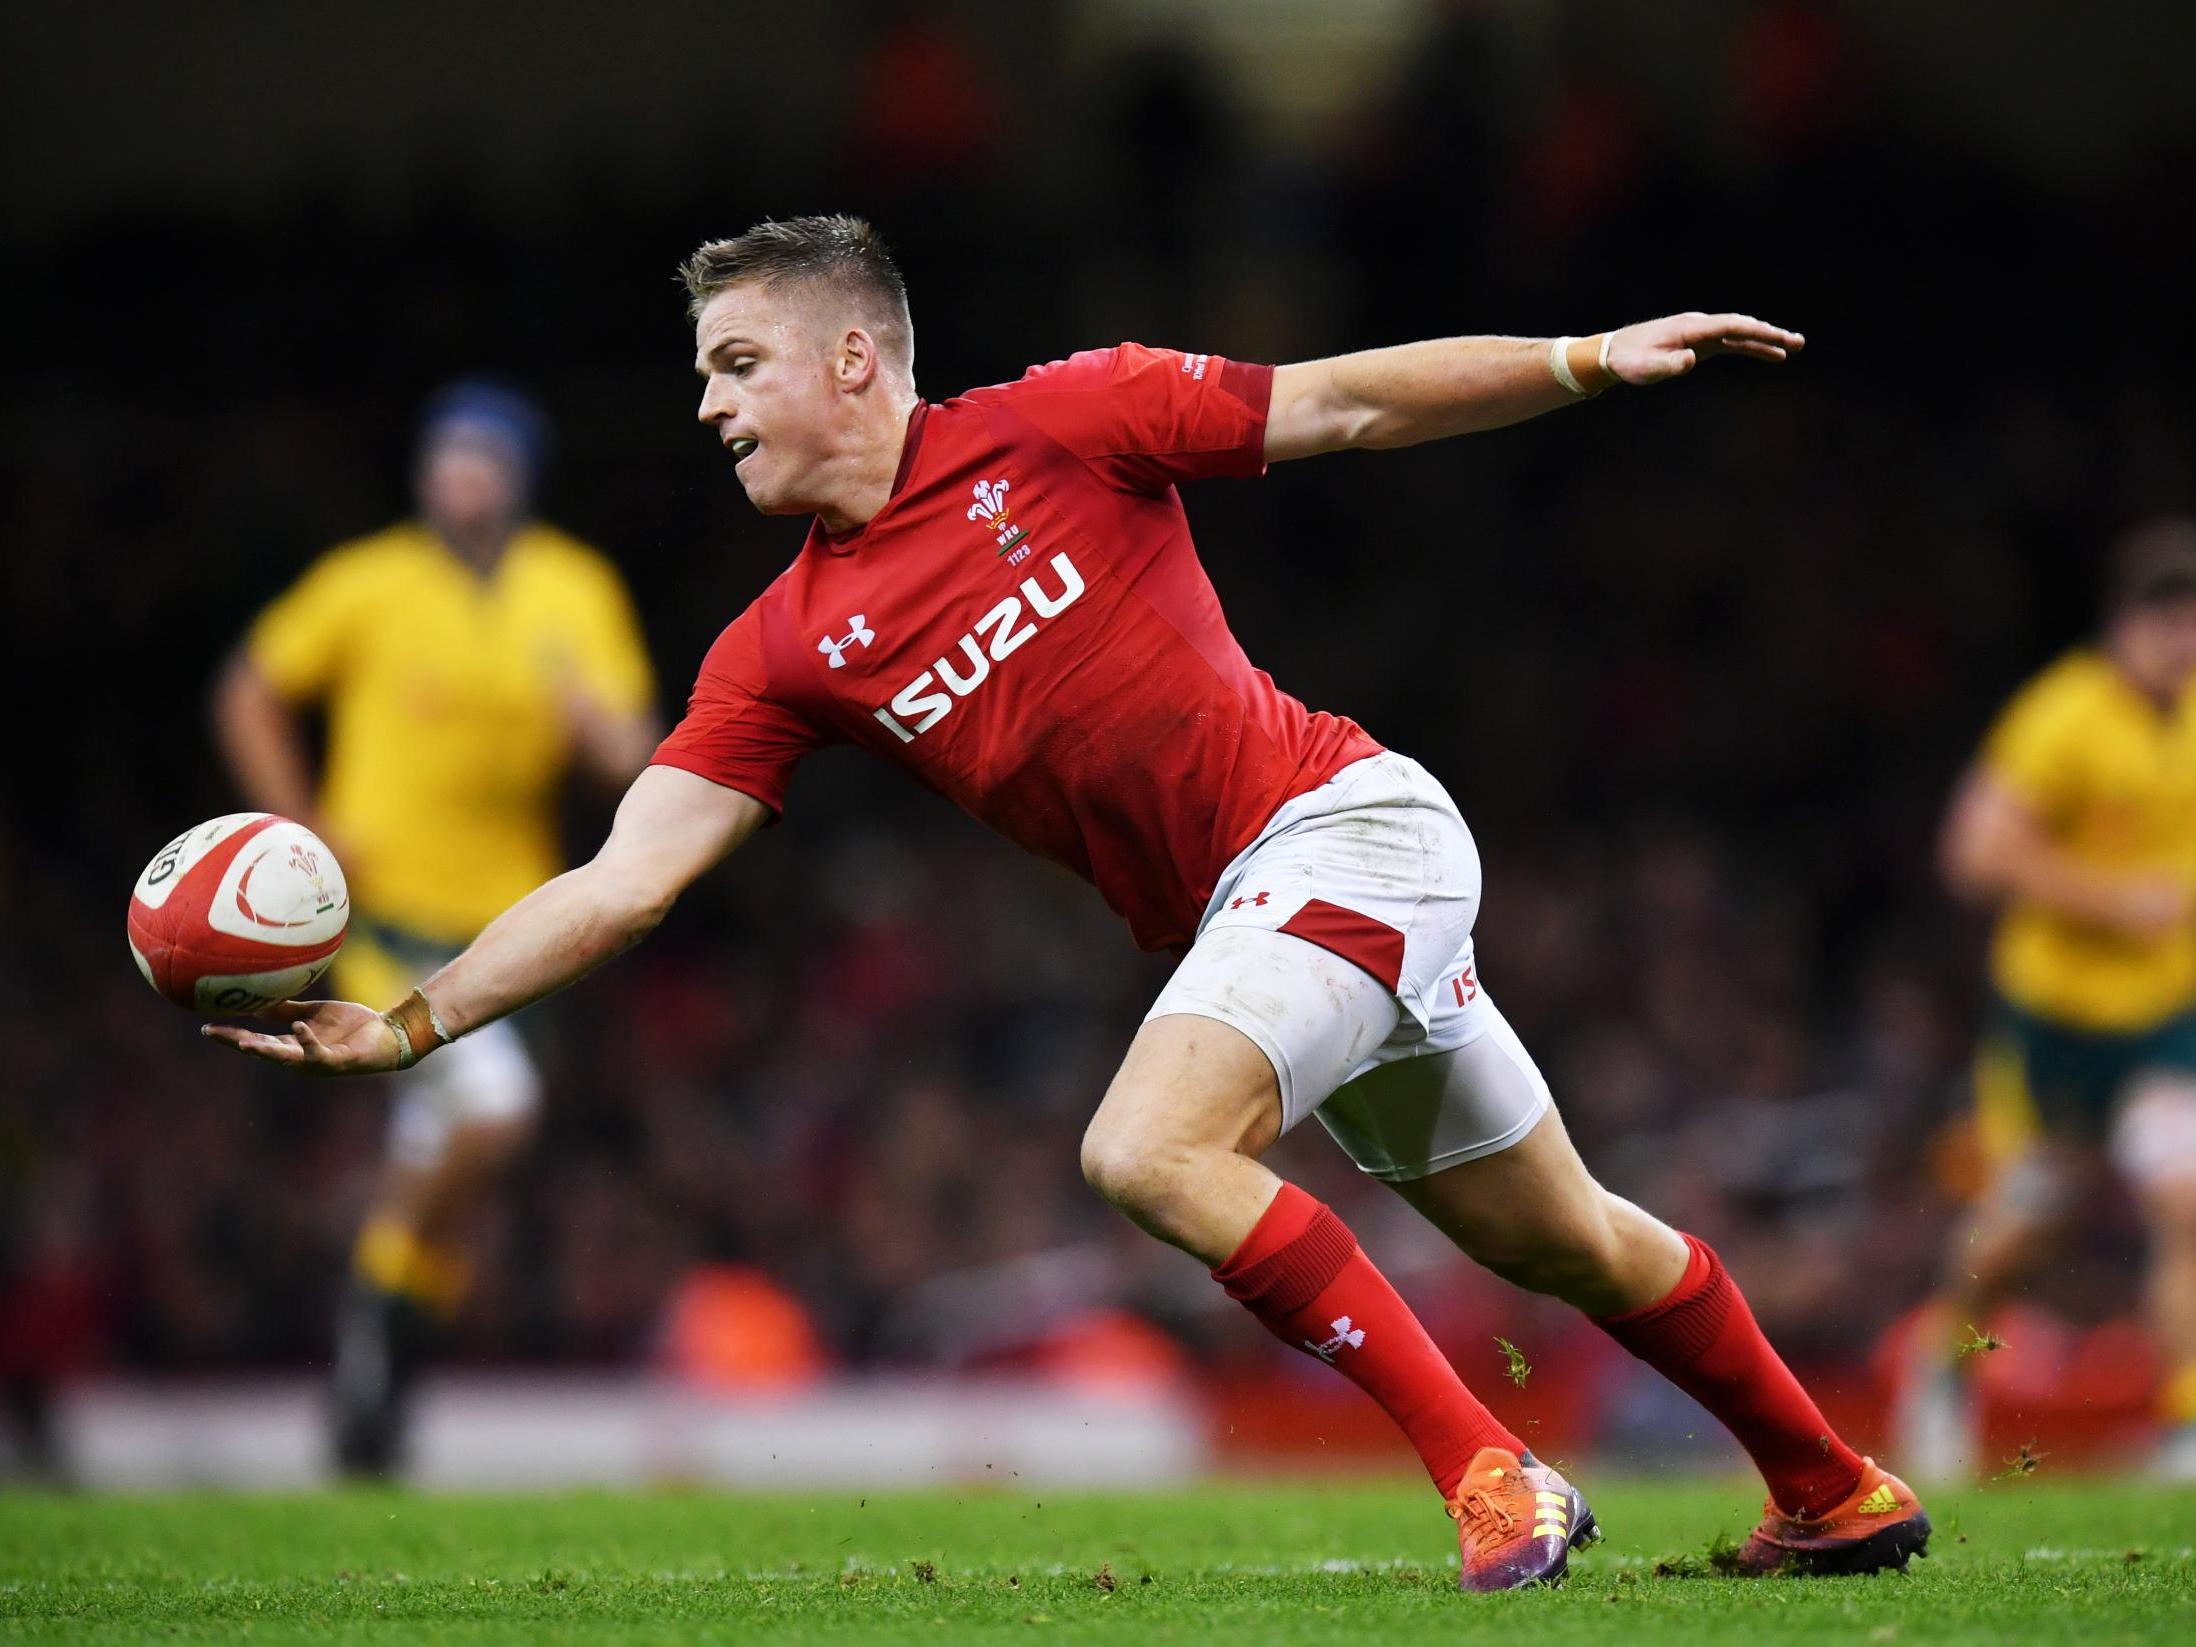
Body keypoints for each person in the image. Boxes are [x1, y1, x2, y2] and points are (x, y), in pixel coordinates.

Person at [207, 215, 1928, 1586]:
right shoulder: (783, 643)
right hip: (1262, 915)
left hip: (1345, 827)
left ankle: (1493, 1473)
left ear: (853, 357)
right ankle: (1833, 1485)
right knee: (1566, 1239)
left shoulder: (1065, 419)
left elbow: (1339, 401)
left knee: (1142, 1151)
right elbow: (627, 877)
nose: (711, 405)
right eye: (705, 373)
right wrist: (412, 1022)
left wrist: (1581, 358)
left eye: (737, 364)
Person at [211, 381, 659, 1474]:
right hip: (387, 917)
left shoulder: (573, 586)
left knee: (449, 1163)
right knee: (496, 1112)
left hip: (511, 934)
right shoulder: (369, 581)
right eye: (445, 454)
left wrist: (593, 726)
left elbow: (640, 755)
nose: (461, 475)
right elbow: (249, 690)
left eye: (482, 456)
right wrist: (300, 826)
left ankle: (377, 1391)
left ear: (518, 475)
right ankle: (374, 1341)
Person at [1904, 519, 2196, 1480]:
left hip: (2165, 1017)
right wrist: (2116, 898)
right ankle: (1943, 1366)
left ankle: (2184, 1422)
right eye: (2165, 618)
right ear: (2122, 624)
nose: (2182, 640)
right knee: (2027, 1229)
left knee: (2183, 1197)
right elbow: (1974, 854)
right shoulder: (2063, 716)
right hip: (2055, 1022)